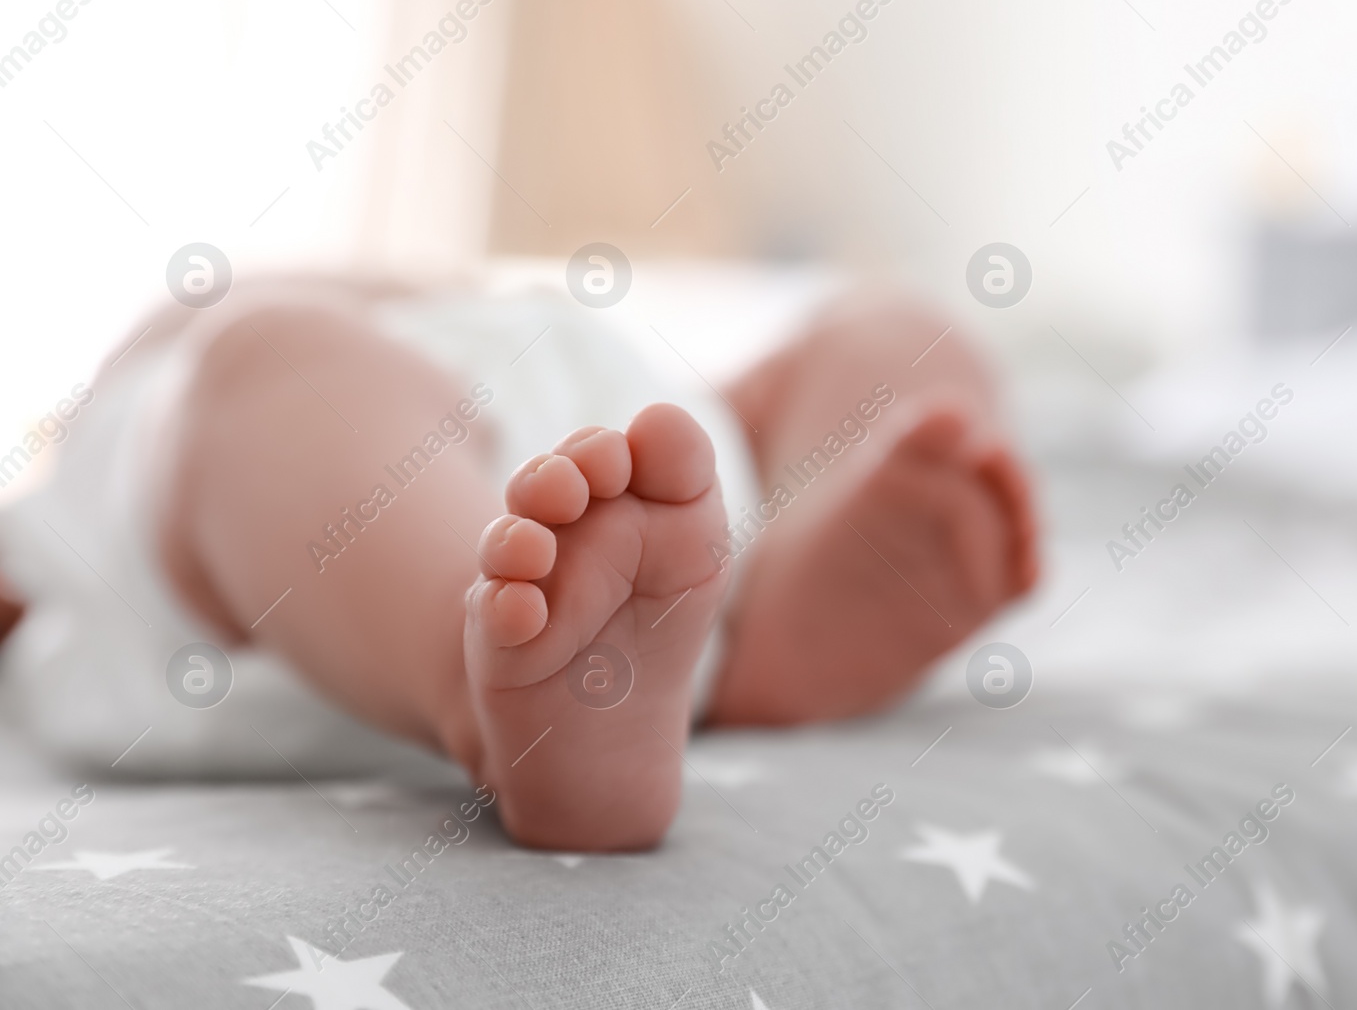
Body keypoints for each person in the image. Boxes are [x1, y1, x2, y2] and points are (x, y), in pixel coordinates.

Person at [0, 275, 1037, 850]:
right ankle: (492, 675)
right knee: (258, 356)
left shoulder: (488, 324)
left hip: (647, 483)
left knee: (885, 324)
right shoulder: (127, 420)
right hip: (317, 565)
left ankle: (777, 599)